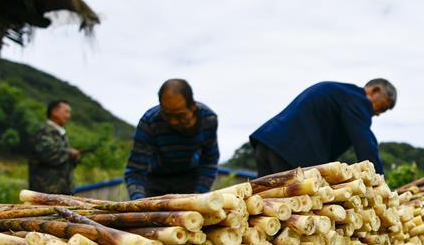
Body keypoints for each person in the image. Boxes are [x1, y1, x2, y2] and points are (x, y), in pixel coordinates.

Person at [249, 79, 397, 177]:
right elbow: (365, 142)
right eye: (382, 108)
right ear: (375, 91)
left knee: (265, 206)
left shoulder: (341, 93)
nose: (377, 114)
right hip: (290, 154)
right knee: (293, 209)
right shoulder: (358, 100)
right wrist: (378, 179)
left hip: (267, 143)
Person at [124, 79, 219, 199]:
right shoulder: (149, 122)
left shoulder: (208, 119)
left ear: (193, 106)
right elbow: (135, 170)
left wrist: (198, 197)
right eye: (167, 115)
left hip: (189, 178)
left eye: (180, 115)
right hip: (155, 180)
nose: (173, 122)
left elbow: (209, 163)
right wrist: (139, 202)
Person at [28, 99, 80, 194]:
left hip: (63, 193)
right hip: (45, 193)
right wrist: (69, 153)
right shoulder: (43, 131)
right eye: (66, 112)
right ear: (54, 111)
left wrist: (74, 157)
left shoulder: (61, 134)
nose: (68, 116)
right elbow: (47, 154)